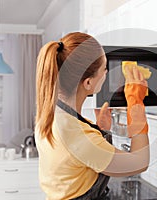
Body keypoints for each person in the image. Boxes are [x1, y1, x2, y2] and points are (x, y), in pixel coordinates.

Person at [35, 32, 150, 200]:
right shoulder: (79, 137)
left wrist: (101, 130)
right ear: (88, 82)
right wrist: (136, 102)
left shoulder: (53, 115)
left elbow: (76, 162)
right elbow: (140, 162)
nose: (107, 73)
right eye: (104, 70)